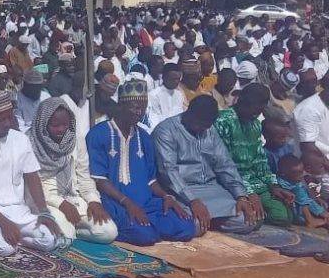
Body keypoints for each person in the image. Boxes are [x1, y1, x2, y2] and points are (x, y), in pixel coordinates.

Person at [86, 78, 197, 246]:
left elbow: (151, 180)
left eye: (143, 108)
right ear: (121, 106)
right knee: (145, 236)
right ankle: (143, 228)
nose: (140, 113)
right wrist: (128, 203)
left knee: (186, 226)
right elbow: (99, 180)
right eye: (135, 107)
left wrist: (166, 196)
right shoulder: (98, 134)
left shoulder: (144, 137)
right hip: (115, 202)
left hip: (146, 202)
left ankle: (151, 226)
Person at [0, 91, 66, 256]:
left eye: (9, 117)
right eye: (1, 119)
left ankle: (16, 237)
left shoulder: (21, 139)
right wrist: (4, 222)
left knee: (50, 240)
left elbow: (32, 177)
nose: (7, 123)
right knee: (5, 249)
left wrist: (44, 212)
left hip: (20, 211)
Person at [153, 95, 263, 236]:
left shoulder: (208, 130)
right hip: (182, 191)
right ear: (189, 114)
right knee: (194, 226)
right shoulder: (166, 130)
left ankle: (212, 220)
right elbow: (168, 172)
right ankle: (209, 220)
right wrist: (192, 201)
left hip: (212, 189)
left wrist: (241, 196)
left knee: (250, 220)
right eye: (200, 124)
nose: (203, 130)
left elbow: (225, 164)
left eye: (207, 126)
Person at [29, 97, 118, 244]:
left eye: (64, 124)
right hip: (47, 202)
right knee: (65, 234)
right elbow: (33, 184)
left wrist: (94, 201)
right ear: (43, 122)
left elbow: (84, 175)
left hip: (75, 199)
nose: (61, 130)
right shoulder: (31, 142)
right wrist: (61, 204)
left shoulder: (76, 139)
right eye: (55, 125)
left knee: (109, 232)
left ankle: (73, 230)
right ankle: (67, 231)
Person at [214, 83, 294, 226]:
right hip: (231, 183)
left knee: (285, 215)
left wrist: (273, 185)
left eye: (258, 111)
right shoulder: (223, 122)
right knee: (252, 221)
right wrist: (247, 192)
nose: (254, 114)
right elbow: (223, 165)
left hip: (255, 182)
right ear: (241, 101)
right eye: (251, 109)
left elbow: (260, 160)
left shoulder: (255, 124)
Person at [277, 154, 328, 228]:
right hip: (297, 212)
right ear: (284, 174)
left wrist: (317, 198)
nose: (300, 175)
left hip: (307, 205)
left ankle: (323, 216)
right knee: (300, 192)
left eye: (301, 172)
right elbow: (302, 200)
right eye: (296, 173)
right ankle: (310, 220)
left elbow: (308, 193)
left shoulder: (296, 180)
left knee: (312, 201)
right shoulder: (283, 183)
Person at [146, 65, 185, 132]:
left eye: (178, 79)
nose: (176, 82)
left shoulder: (179, 94)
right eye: (173, 79)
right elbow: (154, 119)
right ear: (164, 77)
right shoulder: (153, 95)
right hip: (161, 131)